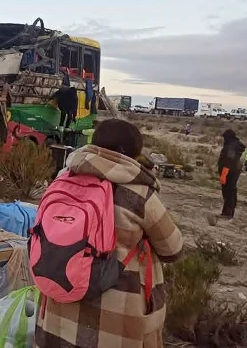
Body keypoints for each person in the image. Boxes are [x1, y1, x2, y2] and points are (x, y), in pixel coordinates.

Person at [35, 119, 183, 348]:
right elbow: (172, 249)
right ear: (131, 152)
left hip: (58, 311)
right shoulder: (138, 193)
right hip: (114, 324)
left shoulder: (62, 180)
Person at [218, 129, 246, 218]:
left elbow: (228, 161)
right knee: (231, 191)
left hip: (229, 172)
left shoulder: (230, 146)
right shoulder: (236, 144)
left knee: (228, 192)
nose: (224, 139)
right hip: (234, 170)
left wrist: (223, 174)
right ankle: (228, 212)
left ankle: (228, 213)